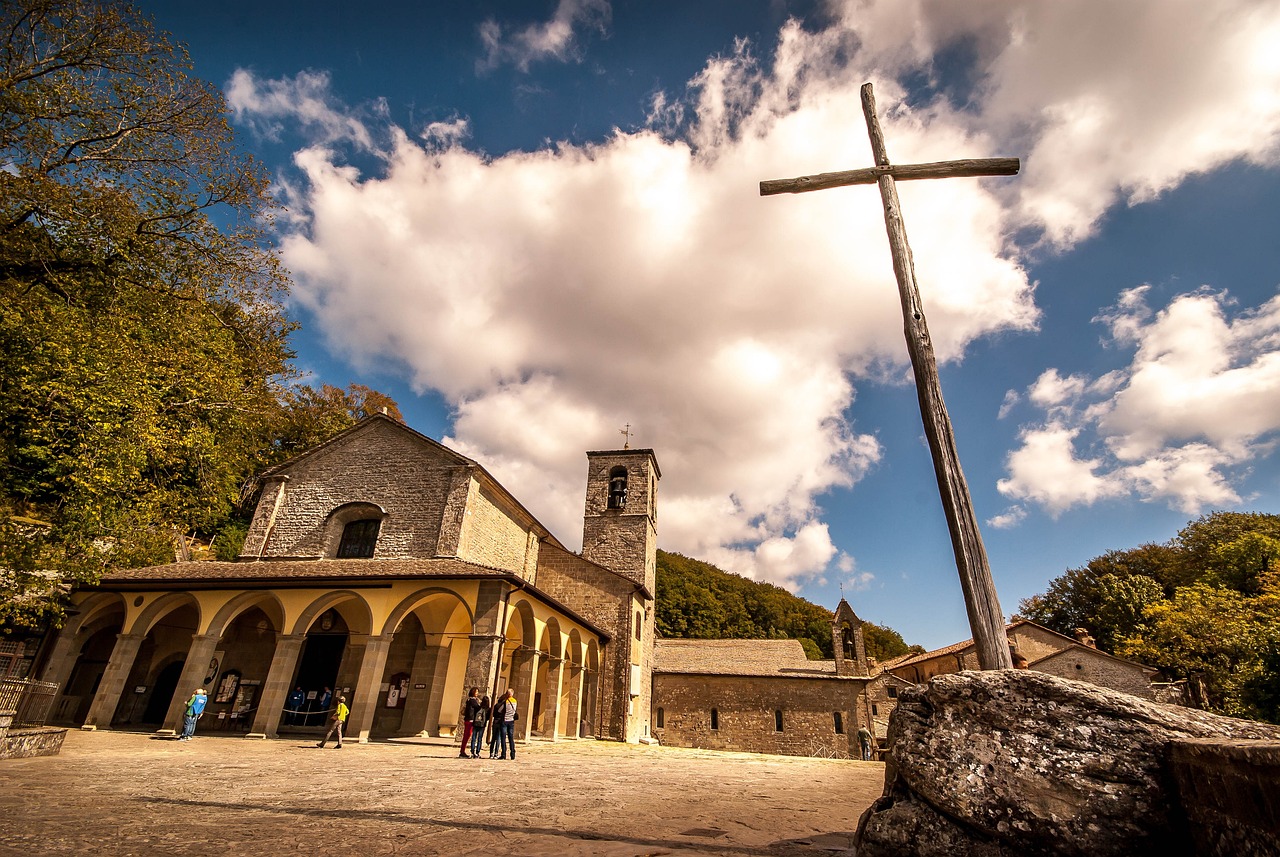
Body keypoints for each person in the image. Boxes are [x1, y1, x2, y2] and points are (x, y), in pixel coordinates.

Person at [460, 687, 481, 758]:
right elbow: (478, 708)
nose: (477, 693)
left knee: (466, 736)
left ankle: (462, 750)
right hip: (470, 720)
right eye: (476, 692)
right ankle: (462, 751)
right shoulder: (472, 701)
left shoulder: (468, 700)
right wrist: (480, 702)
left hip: (467, 719)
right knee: (467, 735)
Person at [498, 688, 518, 760]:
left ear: (507, 694)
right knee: (511, 738)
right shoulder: (515, 701)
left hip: (505, 720)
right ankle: (512, 754)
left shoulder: (505, 702)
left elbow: (499, 710)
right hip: (511, 720)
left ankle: (503, 754)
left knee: (503, 738)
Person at [471, 693, 490, 759]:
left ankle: (472, 751)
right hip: (482, 725)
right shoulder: (488, 709)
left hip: (476, 723)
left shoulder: (478, 707)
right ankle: (477, 752)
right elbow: (488, 718)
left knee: (474, 738)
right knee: (479, 739)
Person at [487, 692, 506, 758]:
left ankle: (491, 753)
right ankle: (496, 753)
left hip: (495, 721)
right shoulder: (503, 705)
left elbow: (493, 713)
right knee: (498, 738)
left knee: (493, 738)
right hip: (500, 722)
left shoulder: (496, 705)